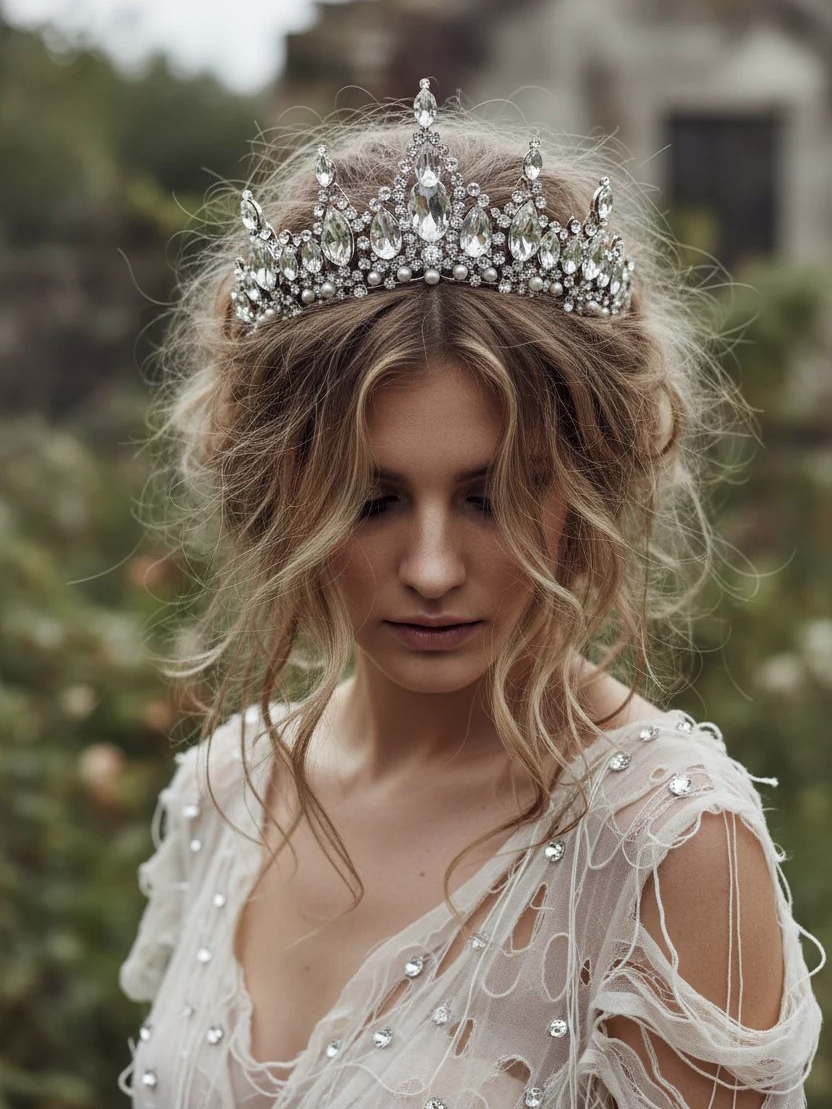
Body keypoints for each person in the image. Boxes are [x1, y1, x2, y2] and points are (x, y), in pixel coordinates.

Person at [117, 80, 823, 1107]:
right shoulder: (225, 791)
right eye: (371, 501)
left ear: (586, 487)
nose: (434, 569)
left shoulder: (665, 850)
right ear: (281, 493)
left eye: (493, 498)